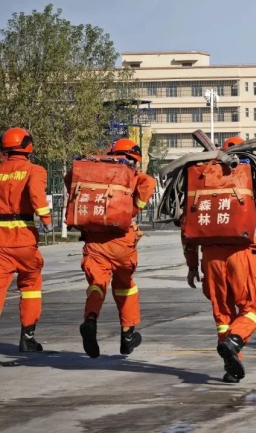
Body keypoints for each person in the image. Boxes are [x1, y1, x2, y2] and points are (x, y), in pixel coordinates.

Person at [183, 136, 256, 383]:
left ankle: (231, 367)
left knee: (222, 313)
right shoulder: (250, 179)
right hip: (242, 254)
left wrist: (192, 265)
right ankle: (235, 341)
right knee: (251, 308)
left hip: (210, 258)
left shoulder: (202, 180)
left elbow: (187, 228)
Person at [65, 138, 156, 358]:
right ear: (134, 158)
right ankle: (127, 335)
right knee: (126, 287)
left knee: (97, 284)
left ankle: (90, 319)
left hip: (94, 240)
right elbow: (149, 183)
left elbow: (70, 178)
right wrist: (132, 210)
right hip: (122, 241)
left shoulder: (93, 170)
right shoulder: (131, 173)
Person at [0, 127, 52, 351]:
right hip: (23, 238)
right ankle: (27, 337)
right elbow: (36, 195)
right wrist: (47, 220)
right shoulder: (34, 170)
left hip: (0, 240)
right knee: (31, 285)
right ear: (27, 145)